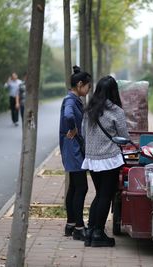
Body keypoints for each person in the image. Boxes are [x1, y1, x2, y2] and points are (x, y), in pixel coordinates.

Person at [82, 75, 129, 247]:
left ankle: (90, 231)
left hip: (92, 160)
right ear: (114, 91)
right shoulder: (116, 111)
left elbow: (84, 134)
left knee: (99, 194)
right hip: (109, 159)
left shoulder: (89, 110)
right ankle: (98, 233)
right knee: (106, 196)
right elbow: (124, 136)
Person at [59, 66, 92, 240]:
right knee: (82, 187)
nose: (88, 91)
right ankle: (79, 227)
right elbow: (68, 115)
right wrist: (73, 128)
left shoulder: (73, 98)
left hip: (71, 147)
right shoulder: (71, 100)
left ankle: (70, 224)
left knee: (73, 186)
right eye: (87, 87)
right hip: (73, 148)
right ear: (80, 84)